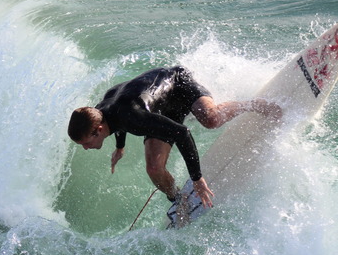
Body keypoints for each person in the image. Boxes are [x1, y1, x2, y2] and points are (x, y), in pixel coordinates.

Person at [67, 66, 280, 209]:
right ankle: (179, 202)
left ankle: (252, 104)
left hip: (178, 84)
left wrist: (197, 179)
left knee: (211, 119)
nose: (85, 147)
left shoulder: (133, 117)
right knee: (154, 168)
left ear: (98, 129)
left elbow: (182, 133)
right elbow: (114, 123)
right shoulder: (101, 113)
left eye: (86, 142)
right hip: (158, 108)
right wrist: (120, 147)